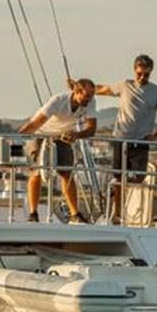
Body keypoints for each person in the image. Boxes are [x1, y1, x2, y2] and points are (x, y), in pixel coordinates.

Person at [95, 54, 157, 222]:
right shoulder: (125, 85)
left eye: (146, 74)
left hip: (141, 140)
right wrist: (79, 87)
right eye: (139, 73)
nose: (142, 77)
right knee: (118, 177)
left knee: (139, 176)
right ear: (134, 70)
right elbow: (103, 89)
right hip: (120, 138)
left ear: (151, 72)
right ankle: (117, 215)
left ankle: (116, 190)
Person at [18, 78, 97, 223]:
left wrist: (77, 135)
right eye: (86, 96)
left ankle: (75, 213)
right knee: (36, 172)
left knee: (67, 173)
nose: (89, 99)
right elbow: (36, 122)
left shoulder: (90, 102)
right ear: (76, 92)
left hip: (63, 136)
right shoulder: (58, 101)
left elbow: (91, 128)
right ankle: (33, 213)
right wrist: (17, 137)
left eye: (91, 96)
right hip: (41, 133)